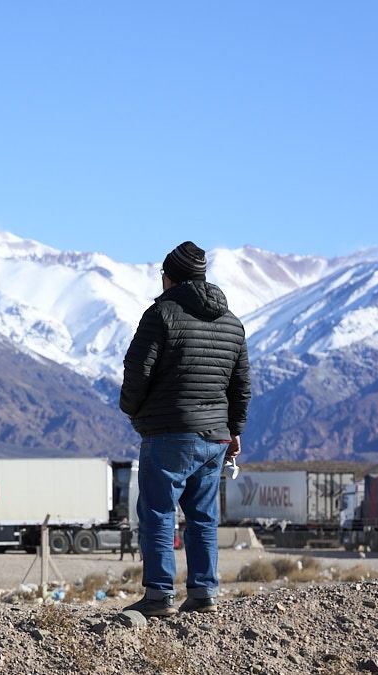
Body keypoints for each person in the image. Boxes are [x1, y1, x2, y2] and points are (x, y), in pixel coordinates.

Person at [119, 241, 250, 616]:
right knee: (203, 515)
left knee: (158, 511)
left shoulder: (161, 314)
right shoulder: (232, 323)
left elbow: (137, 371)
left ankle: (159, 595)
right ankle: (203, 592)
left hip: (169, 432)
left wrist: (131, 409)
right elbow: (241, 384)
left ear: (168, 277)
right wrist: (234, 429)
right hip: (215, 437)